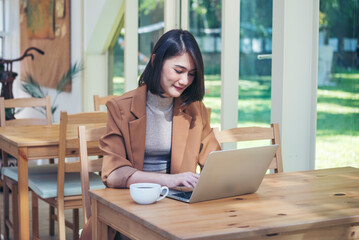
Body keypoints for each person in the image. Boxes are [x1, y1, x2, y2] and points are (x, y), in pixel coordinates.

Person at [80, 29, 220, 239]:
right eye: (179, 70)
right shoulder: (120, 108)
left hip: (177, 209)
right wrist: (171, 181)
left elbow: (214, 159)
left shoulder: (194, 108)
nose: (185, 80)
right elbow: (114, 174)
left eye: (191, 74)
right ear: (156, 61)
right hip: (130, 209)